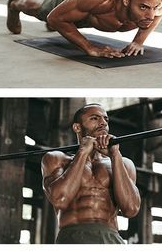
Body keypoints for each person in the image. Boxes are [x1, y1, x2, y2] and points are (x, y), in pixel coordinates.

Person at [41, 103, 141, 244]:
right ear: (77, 127)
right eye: (95, 118)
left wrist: (115, 156)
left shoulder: (123, 163)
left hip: (111, 239)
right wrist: (83, 152)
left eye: (106, 119)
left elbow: (131, 209)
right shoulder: (56, 159)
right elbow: (60, 199)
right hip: (73, 238)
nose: (103, 123)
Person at [6, 0, 162, 58]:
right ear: (125, 0)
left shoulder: (155, 0)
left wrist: (138, 42)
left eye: (154, 7)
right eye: (143, 7)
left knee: (65, 21)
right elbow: (54, 18)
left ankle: (68, 19)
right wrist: (90, 48)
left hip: (90, 12)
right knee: (42, 11)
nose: (150, 15)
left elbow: (159, 13)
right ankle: (14, 4)